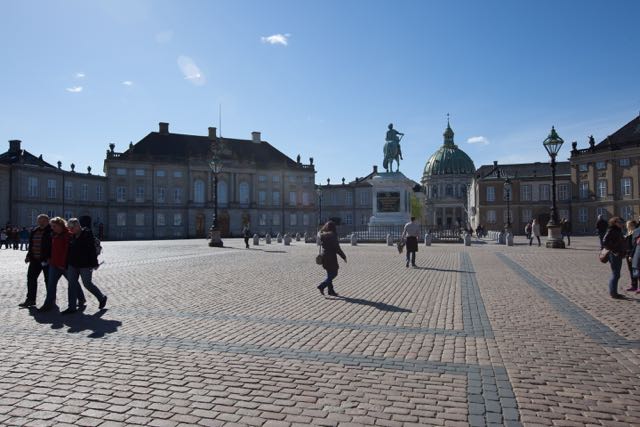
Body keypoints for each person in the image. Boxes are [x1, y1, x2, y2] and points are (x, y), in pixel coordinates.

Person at [38, 217, 86, 312]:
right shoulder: (54, 234)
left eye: (54, 226)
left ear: (60, 225)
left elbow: (67, 251)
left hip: (65, 265)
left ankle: (81, 298)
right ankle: (48, 304)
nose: (52, 228)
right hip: (54, 263)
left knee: (73, 283)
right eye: (52, 226)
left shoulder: (68, 235)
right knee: (51, 284)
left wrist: (63, 264)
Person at [63, 218, 107, 314]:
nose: (70, 230)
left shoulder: (87, 234)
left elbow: (91, 250)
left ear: (78, 226)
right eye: (69, 228)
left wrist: (94, 263)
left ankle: (102, 298)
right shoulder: (71, 236)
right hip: (72, 264)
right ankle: (72, 307)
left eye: (72, 227)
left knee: (87, 283)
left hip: (85, 264)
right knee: (72, 285)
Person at [18, 215, 52, 308]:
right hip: (34, 259)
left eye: (43, 221)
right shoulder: (34, 231)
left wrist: (50, 257)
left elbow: (53, 246)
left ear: (47, 221)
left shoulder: (51, 231)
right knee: (31, 279)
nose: (41, 222)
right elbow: (31, 245)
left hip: (46, 260)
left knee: (48, 281)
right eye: (39, 221)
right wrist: (28, 256)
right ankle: (30, 299)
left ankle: (50, 300)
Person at [317, 221, 346, 297]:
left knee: (329, 274)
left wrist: (323, 228)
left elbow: (319, 233)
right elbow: (337, 248)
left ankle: (331, 291)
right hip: (331, 257)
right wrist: (344, 256)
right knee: (334, 273)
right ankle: (322, 286)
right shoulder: (333, 235)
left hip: (324, 257)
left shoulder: (322, 235)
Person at [603, 216, 627, 299]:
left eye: (622, 222)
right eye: (619, 222)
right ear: (614, 223)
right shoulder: (612, 230)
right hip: (614, 254)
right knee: (615, 274)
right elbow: (605, 242)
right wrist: (614, 250)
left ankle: (614, 292)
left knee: (616, 274)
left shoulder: (618, 230)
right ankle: (613, 293)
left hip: (618, 254)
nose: (621, 224)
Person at [624, 220, 638, 293]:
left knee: (637, 270)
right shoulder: (627, 233)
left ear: (633, 225)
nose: (627, 226)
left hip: (634, 254)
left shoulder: (636, 233)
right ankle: (634, 286)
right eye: (627, 225)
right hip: (628, 254)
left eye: (628, 225)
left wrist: (631, 255)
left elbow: (635, 246)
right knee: (631, 271)